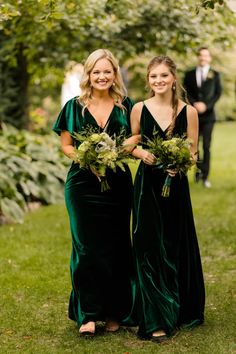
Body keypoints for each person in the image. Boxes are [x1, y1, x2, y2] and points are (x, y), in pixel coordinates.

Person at [52, 49, 139, 337]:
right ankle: (88, 314)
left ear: (115, 73)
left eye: (107, 71)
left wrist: (118, 151)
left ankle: (115, 312)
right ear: (88, 74)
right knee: (86, 247)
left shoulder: (126, 105)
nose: (101, 76)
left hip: (117, 183)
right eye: (96, 72)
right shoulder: (73, 107)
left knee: (116, 245)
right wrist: (85, 158)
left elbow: (136, 136)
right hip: (81, 185)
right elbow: (65, 145)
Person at [130, 55, 205, 342]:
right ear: (148, 80)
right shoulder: (138, 109)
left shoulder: (188, 112)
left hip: (174, 186)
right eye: (153, 77)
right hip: (147, 186)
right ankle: (155, 317)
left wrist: (181, 163)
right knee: (148, 247)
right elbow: (131, 141)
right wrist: (140, 153)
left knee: (173, 244)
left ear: (173, 78)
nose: (158, 81)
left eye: (163, 76)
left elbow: (193, 152)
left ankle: (178, 305)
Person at [183, 47, 222, 188]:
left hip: (209, 117)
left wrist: (206, 105)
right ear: (198, 57)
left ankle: (205, 177)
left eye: (206, 56)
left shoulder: (215, 74)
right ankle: (197, 174)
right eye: (201, 55)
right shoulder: (189, 74)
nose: (203, 58)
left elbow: (218, 93)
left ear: (209, 58)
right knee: (194, 146)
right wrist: (194, 104)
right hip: (194, 116)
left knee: (207, 146)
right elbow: (185, 91)